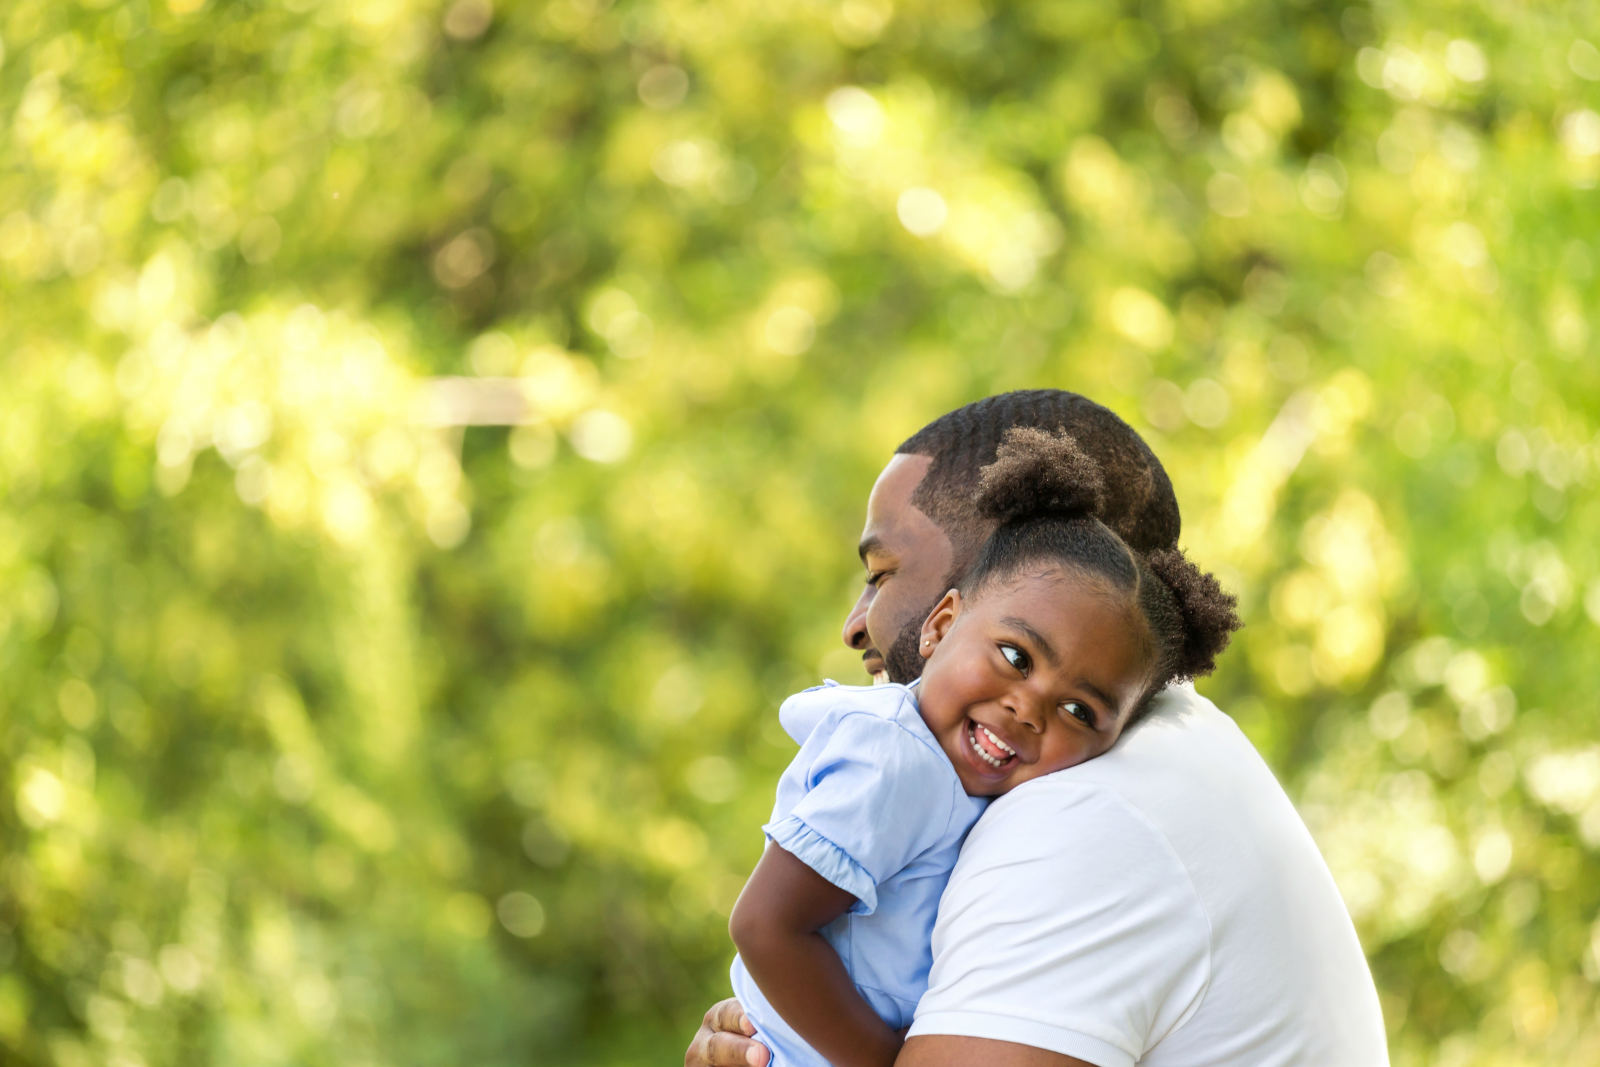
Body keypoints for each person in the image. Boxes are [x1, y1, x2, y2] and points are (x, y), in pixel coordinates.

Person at [687, 390, 1388, 1067]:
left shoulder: (1083, 814)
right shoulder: (1148, 751)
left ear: (984, 580)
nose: (854, 624)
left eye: (883, 572)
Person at [727, 431, 1239, 1067]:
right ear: (942, 625)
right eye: (1015, 656)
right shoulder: (896, 759)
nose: (1029, 708)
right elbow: (765, 927)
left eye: (1079, 711)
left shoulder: (993, 792)